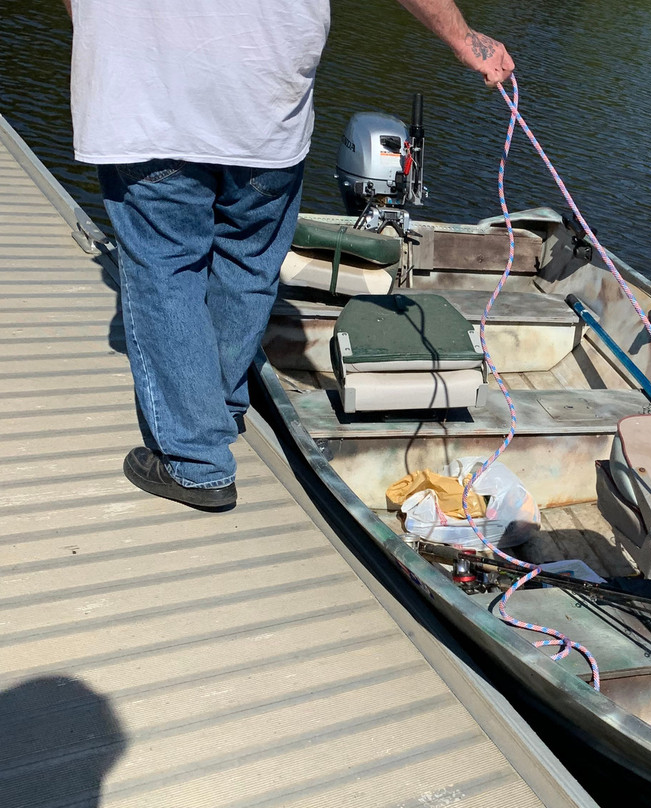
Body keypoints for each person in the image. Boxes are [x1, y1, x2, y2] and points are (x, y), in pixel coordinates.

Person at [66, 0, 514, 511]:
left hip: (146, 94)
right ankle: (222, 408)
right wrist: (465, 40)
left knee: (166, 272)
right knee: (248, 263)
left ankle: (195, 463)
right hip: (265, 103)